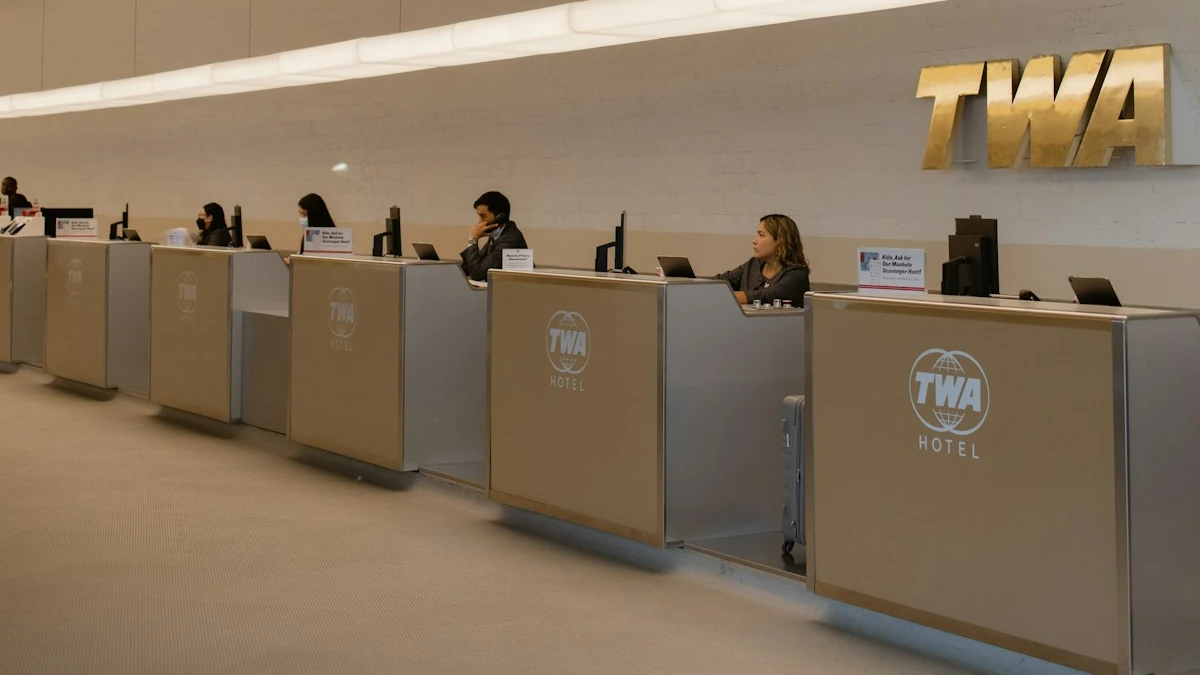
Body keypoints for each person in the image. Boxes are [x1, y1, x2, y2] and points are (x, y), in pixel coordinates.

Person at [716, 214, 811, 306]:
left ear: (780, 241)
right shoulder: (754, 264)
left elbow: (765, 296)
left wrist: (723, 296)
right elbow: (723, 280)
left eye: (761, 235)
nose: (754, 241)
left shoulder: (797, 274)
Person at [461, 191, 527, 282]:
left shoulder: (509, 240)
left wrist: (473, 239)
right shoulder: (497, 235)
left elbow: (477, 274)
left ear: (500, 217)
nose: (480, 222)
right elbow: (469, 268)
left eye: (483, 216)